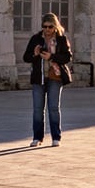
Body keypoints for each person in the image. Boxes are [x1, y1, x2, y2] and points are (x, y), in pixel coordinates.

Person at [22, 12, 73, 145]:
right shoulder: (36, 39)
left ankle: (56, 137)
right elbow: (26, 57)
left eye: (50, 27)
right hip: (39, 78)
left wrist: (51, 57)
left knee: (53, 108)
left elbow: (67, 57)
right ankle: (37, 137)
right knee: (38, 109)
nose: (47, 30)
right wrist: (35, 53)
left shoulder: (61, 39)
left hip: (55, 77)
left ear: (55, 27)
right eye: (45, 27)